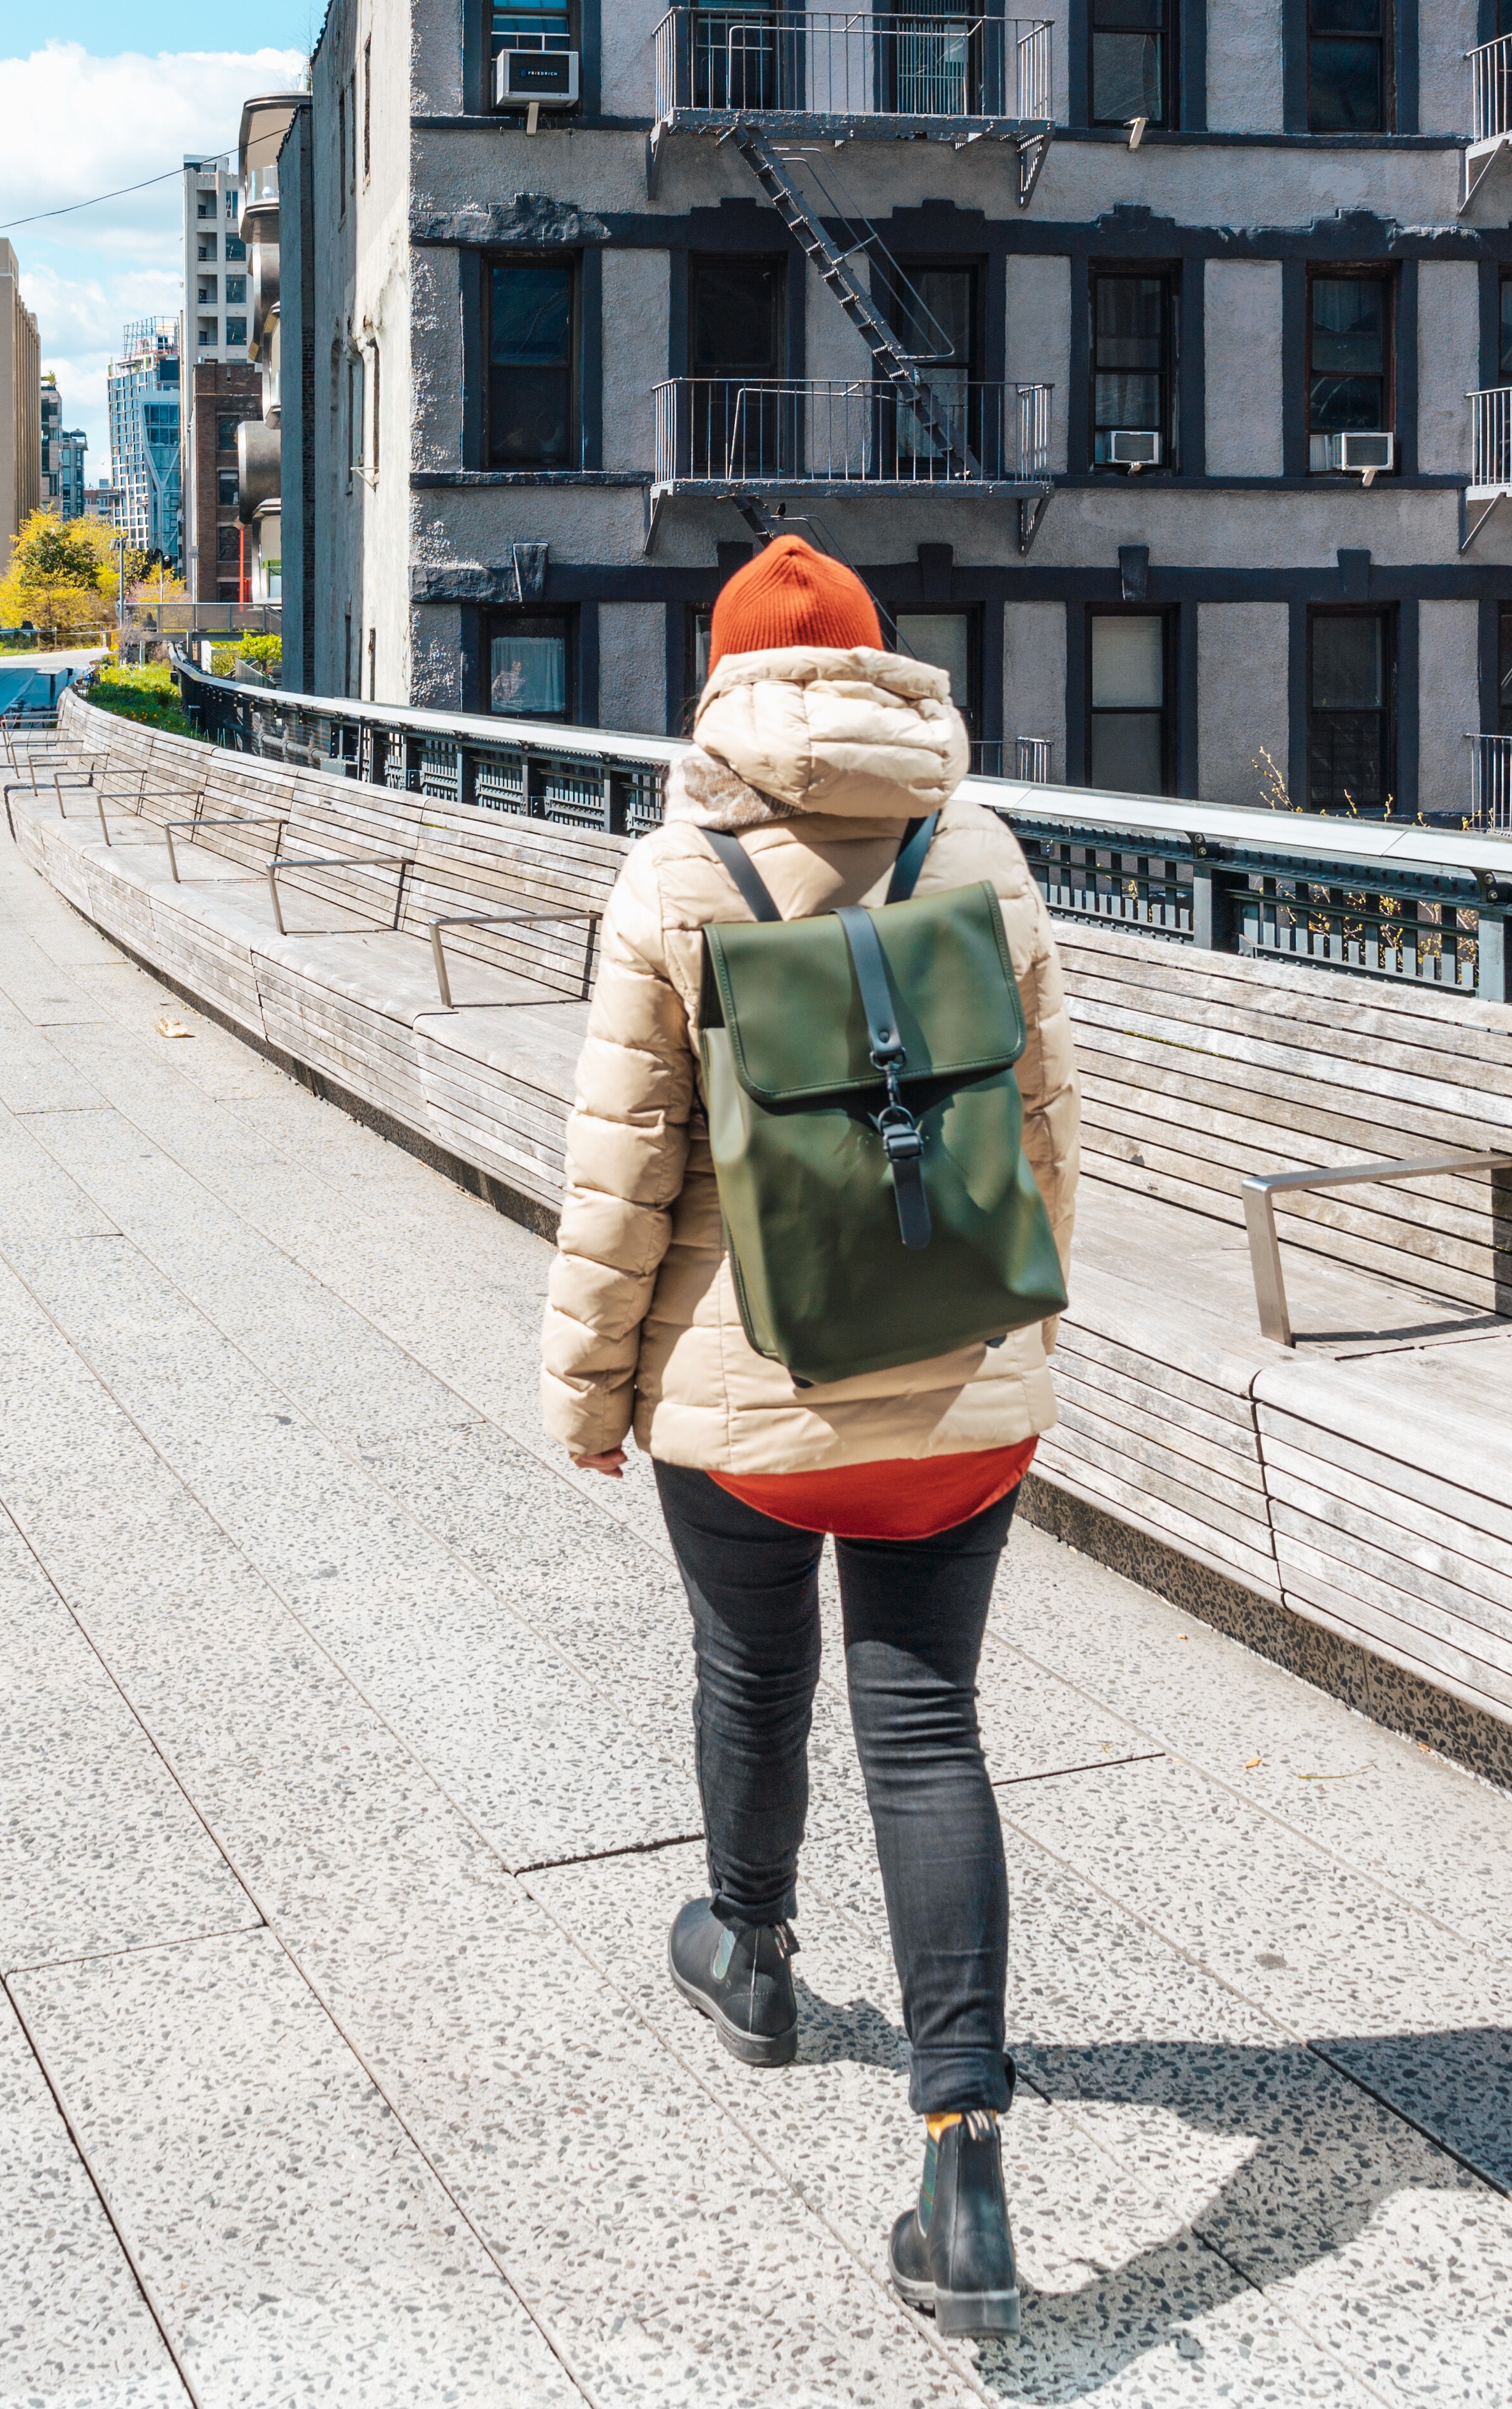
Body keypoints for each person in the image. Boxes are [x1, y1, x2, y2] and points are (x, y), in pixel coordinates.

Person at [542, 533, 1079, 2340]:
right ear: (881, 674)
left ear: (720, 686)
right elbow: (1048, 1140)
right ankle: (964, 2164)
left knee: (751, 1675)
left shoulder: (676, 872)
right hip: (953, 1395)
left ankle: (753, 1958)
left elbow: (620, 1177)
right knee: (927, 1734)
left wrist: (591, 1393)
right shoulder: (982, 853)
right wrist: (1018, 1339)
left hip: (744, 1401)